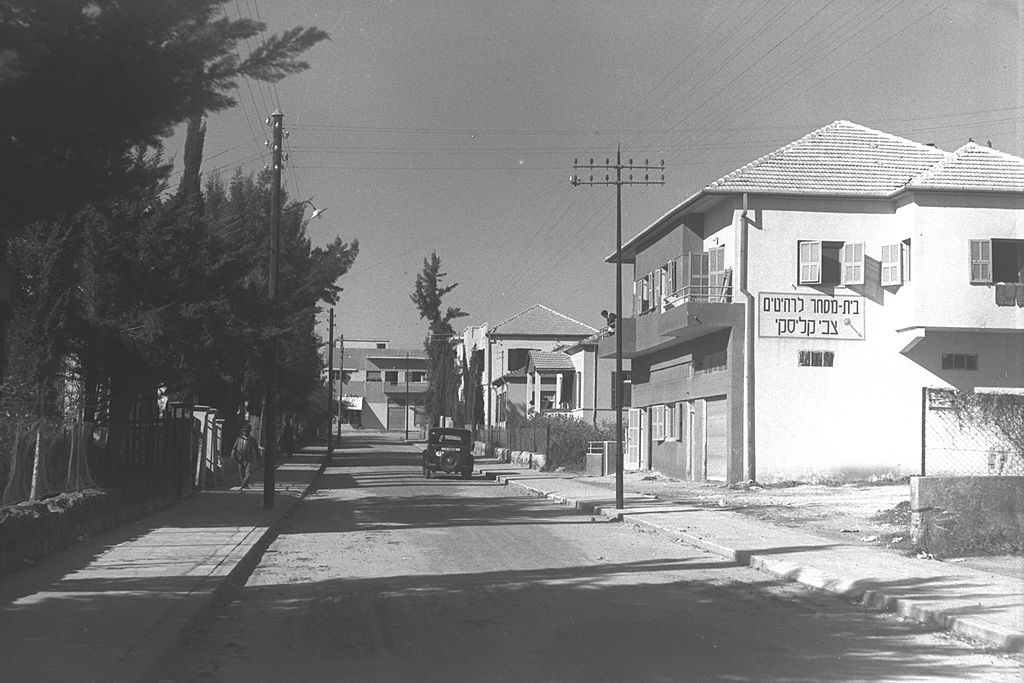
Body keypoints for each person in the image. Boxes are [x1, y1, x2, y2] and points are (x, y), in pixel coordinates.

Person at [231, 423, 258, 490]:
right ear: (242, 432)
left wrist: (258, 457)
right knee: (241, 472)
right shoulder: (239, 439)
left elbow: (256, 449)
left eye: (247, 431)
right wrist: (233, 454)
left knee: (248, 473)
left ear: (249, 432)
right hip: (240, 458)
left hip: (249, 458)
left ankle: (244, 483)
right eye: (244, 431)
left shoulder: (252, 440)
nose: (246, 432)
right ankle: (244, 484)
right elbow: (234, 447)